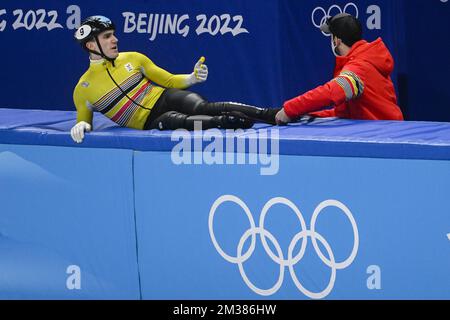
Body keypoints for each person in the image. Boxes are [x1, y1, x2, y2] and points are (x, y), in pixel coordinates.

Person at [71, 15, 278, 143]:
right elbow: (84, 122)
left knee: (204, 107)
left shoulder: (133, 57)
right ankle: (228, 122)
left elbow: (169, 80)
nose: (115, 39)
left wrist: (191, 78)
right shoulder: (83, 88)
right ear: (91, 45)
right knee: (182, 122)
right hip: (149, 121)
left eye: (113, 34)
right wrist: (81, 125)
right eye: (107, 36)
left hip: (165, 97)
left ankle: (269, 114)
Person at [276, 13, 404, 125]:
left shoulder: (358, 69)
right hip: (387, 130)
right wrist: (308, 115)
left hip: (386, 138)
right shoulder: (367, 58)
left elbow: (331, 92)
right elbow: (345, 113)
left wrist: (290, 109)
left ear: (337, 40)